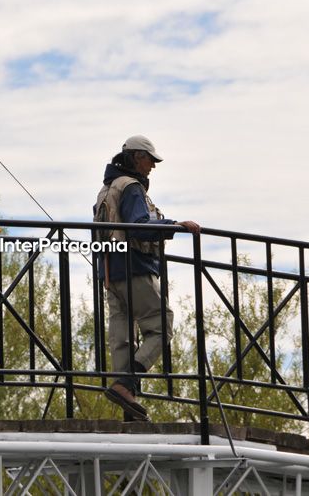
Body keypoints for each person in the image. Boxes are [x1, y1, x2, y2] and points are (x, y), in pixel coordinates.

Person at [93, 135, 200, 422]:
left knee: (122, 338)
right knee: (161, 325)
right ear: (136, 157)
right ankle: (126, 385)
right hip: (134, 267)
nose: (152, 166)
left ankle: (128, 404)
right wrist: (173, 226)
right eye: (150, 160)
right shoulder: (131, 188)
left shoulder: (107, 188)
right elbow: (138, 227)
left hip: (109, 272)